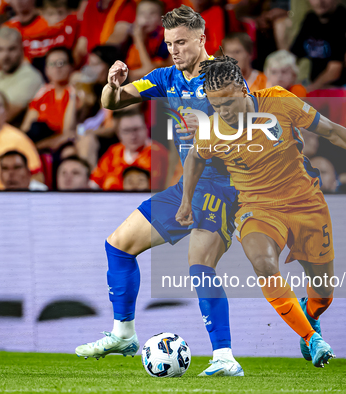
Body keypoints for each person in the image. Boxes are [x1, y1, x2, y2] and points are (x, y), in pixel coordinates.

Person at [176, 55, 346, 368]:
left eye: (227, 103)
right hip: (256, 207)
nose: (221, 112)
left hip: (306, 203)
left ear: (243, 89)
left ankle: (311, 311)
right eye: (215, 105)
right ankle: (312, 339)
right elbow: (196, 156)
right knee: (262, 262)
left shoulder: (279, 102)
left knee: (324, 296)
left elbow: (332, 131)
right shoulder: (212, 128)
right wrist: (186, 200)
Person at [75, 5, 244, 377]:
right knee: (119, 245)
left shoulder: (223, 75)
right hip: (188, 186)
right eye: (169, 43)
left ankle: (224, 357)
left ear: (202, 39)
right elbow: (112, 104)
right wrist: (112, 84)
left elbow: (240, 126)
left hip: (224, 186)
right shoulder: (167, 77)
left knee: (200, 264)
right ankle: (123, 334)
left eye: (182, 42)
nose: (175, 50)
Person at [90, 109, 168, 191]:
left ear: (146, 129)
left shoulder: (159, 153)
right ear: (119, 134)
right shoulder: (113, 152)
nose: (133, 135)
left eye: (136, 129)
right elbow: (94, 183)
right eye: (127, 131)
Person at [21, 47, 76, 150]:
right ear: (46, 70)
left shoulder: (75, 92)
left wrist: (37, 147)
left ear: (71, 67)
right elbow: (26, 127)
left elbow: (68, 132)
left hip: (60, 146)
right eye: (52, 64)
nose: (57, 68)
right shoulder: (43, 92)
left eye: (61, 63)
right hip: (37, 142)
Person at [290, 0, 346, 90]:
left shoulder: (343, 20)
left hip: (337, 89)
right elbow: (293, 55)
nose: (320, 2)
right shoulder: (310, 18)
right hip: (312, 85)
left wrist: (310, 90)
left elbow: (335, 71)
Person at [126, 0, 172, 81]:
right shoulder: (127, 40)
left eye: (152, 13)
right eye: (142, 13)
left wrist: (139, 40)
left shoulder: (168, 41)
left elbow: (149, 71)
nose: (146, 17)